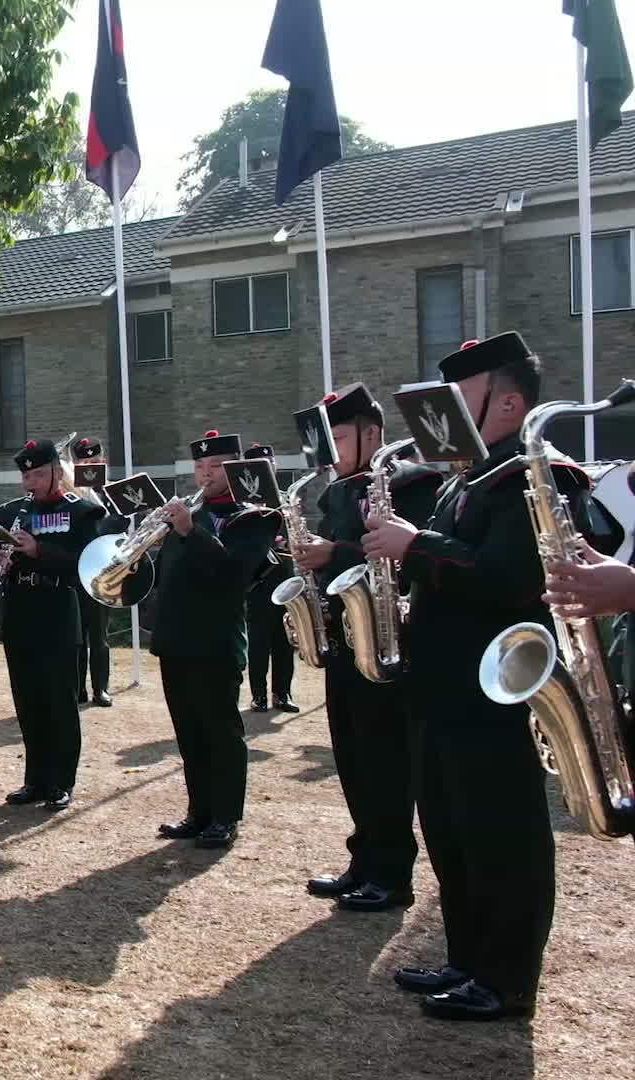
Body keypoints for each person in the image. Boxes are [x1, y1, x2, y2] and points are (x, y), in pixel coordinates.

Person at [363, 332, 590, 1022]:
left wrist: (413, 544)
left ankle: (507, 978)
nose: (441, 418)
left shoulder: (533, 475)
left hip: (495, 689)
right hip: (444, 684)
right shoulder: (466, 479)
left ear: (509, 403)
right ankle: (467, 959)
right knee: (452, 831)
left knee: (501, 836)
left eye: (459, 400)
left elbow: (507, 575)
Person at [293, 383, 442, 913]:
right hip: (345, 638)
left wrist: (334, 552)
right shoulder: (337, 491)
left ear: (372, 433)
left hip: (385, 640)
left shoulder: (411, 481)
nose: (330, 452)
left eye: (339, 438)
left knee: (385, 763)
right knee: (353, 759)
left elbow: (409, 556)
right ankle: (364, 860)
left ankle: (392, 873)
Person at [150, 430, 279, 850]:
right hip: (175, 638)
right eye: (200, 467)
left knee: (220, 732)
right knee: (188, 731)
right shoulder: (185, 513)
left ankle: (225, 816)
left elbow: (234, 575)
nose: (206, 474)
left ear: (236, 468)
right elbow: (166, 573)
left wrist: (191, 532)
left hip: (215, 640)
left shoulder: (253, 517)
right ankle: (199, 812)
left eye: (217, 466)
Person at [0, 438, 104, 811]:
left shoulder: (81, 512)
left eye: (39, 475)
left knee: (59, 701)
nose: (31, 483)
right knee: (28, 700)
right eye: (26, 476)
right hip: (19, 610)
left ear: (56, 471)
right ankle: (35, 780)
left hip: (57, 608)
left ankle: (61, 782)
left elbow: (85, 564)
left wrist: (40, 550)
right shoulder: (11, 513)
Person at [242, 443, 298, 713]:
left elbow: (298, 533)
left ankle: (282, 694)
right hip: (258, 581)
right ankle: (259, 695)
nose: (268, 469)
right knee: (259, 641)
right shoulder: (245, 503)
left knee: (284, 640)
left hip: (286, 577)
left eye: (270, 464)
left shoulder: (287, 499)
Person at [70, 437, 113, 707]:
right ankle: (78, 688)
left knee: (99, 636)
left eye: (94, 462)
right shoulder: (69, 494)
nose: (89, 468)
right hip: (75, 570)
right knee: (75, 635)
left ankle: (101, 689)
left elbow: (119, 524)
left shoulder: (113, 493)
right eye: (83, 464)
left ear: (103, 462)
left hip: (101, 571)